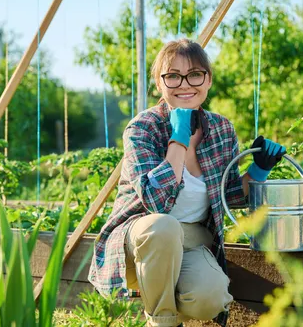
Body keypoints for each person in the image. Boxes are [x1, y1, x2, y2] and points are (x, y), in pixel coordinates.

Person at [89, 38, 286, 327]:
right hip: (141, 241)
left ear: (208, 81)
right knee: (163, 226)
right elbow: (155, 202)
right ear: (159, 84)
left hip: (193, 240)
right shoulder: (142, 128)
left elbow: (230, 195)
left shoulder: (221, 128)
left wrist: (259, 170)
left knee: (210, 298)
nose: (185, 84)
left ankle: (165, 301)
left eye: (195, 74)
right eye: (173, 76)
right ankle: (163, 323)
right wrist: (178, 137)